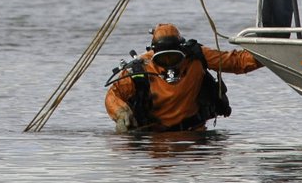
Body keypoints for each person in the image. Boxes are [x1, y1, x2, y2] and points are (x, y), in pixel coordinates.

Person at [105, 24, 262, 133]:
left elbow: (236, 62)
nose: (169, 65)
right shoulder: (141, 68)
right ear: (153, 56)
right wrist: (120, 112)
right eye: (163, 59)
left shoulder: (197, 56)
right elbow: (114, 94)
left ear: (182, 51)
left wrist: (272, 53)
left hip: (194, 134)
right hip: (154, 138)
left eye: (173, 58)